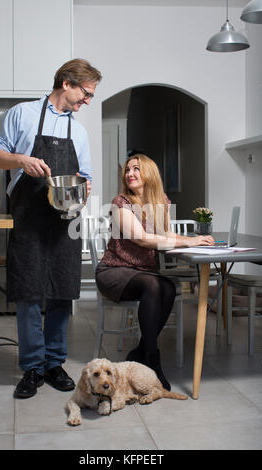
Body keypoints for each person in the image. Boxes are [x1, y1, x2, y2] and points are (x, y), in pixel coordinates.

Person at [0, 58, 102, 399]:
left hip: (65, 221)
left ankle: (54, 363)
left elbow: (86, 178)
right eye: (86, 93)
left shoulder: (78, 131)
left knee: (60, 293)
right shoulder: (22, 114)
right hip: (28, 218)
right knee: (27, 294)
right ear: (67, 83)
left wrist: (82, 194)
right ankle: (32, 368)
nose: (87, 101)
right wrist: (22, 160)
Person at [95, 153, 214, 391]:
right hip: (114, 271)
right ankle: (153, 361)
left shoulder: (161, 202)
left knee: (168, 287)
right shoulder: (120, 203)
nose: (129, 174)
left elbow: (166, 235)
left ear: (149, 173)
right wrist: (187, 243)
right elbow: (141, 239)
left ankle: (139, 351)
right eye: (128, 170)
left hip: (143, 272)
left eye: (136, 169)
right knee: (154, 285)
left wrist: (194, 239)